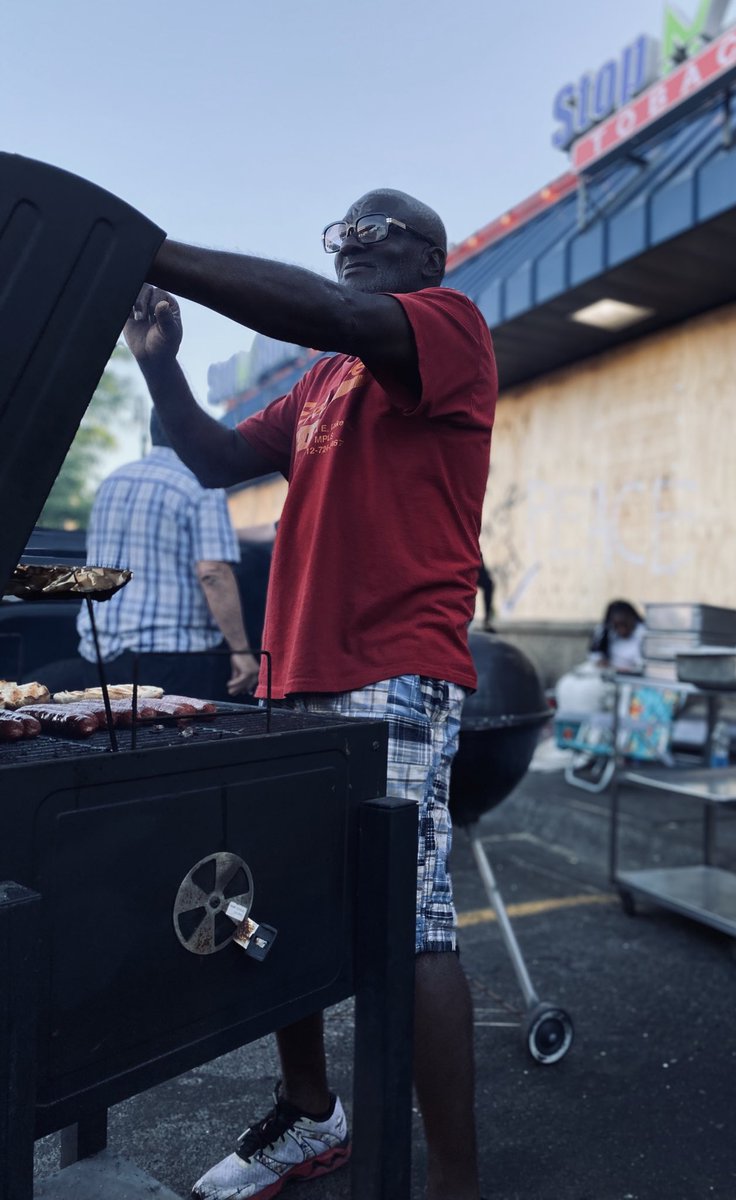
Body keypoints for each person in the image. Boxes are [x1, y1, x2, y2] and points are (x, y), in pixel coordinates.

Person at [123, 189, 497, 1200]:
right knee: (270, 898)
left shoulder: (447, 329)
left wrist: (150, 249)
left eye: (372, 233)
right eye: (337, 236)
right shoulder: (323, 384)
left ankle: (455, 1184)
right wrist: (158, 362)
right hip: (298, 674)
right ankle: (308, 1113)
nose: (348, 248)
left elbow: (332, 313)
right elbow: (210, 459)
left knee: (412, 922)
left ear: (426, 256)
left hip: (394, 667)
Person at [70, 410, 259, 702]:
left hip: (99, 652)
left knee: (115, 742)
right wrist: (242, 652)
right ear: (195, 432)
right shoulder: (201, 484)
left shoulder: (112, 482)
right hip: (170, 658)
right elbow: (213, 572)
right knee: (174, 743)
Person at [588, 599, 646, 673]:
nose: (621, 629)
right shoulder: (606, 631)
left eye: (624, 624)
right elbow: (594, 654)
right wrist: (600, 661)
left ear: (633, 618)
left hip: (637, 675)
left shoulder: (644, 633)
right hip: (611, 672)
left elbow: (645, 663)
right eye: (616, 626)